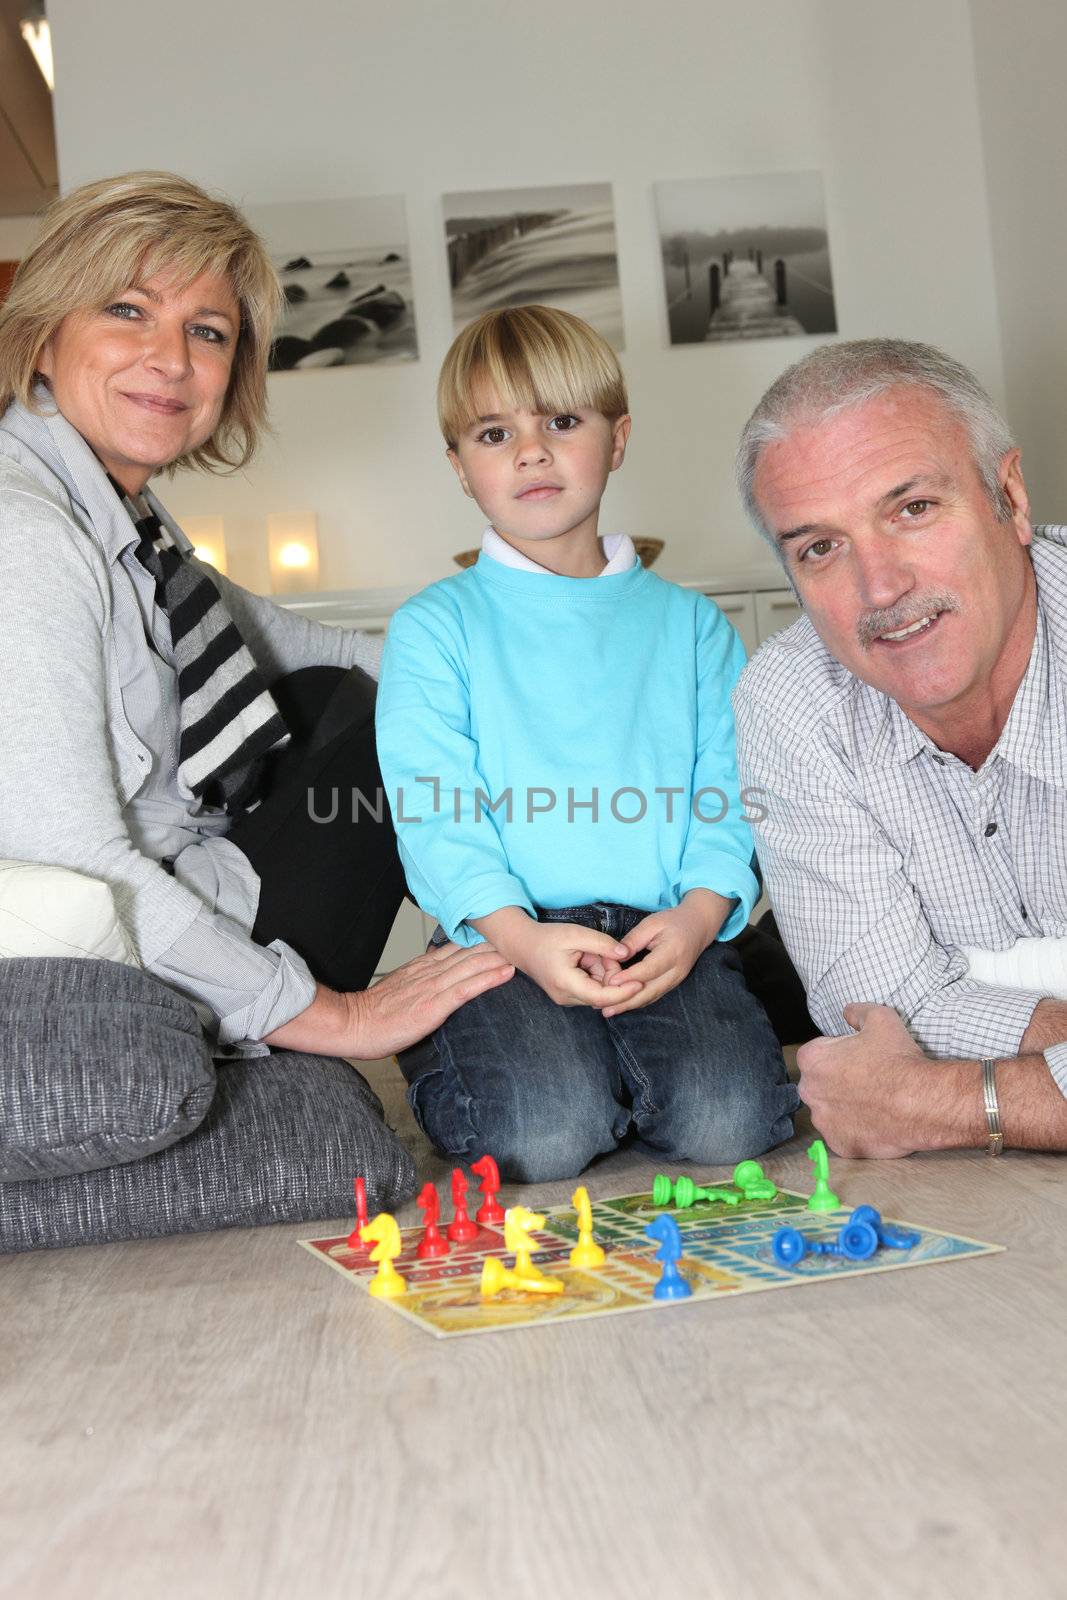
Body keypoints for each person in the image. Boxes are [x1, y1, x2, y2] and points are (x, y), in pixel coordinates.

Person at [0, 171, 513, 1064]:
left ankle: (580, 924)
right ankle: (541, 953)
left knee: (342, 692)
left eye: (207, 332)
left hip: (198, 867)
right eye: (128, 311)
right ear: (42, 336)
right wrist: (334, 1017)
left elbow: (301, 643)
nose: (171, 360)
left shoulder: (126, 518)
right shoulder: (26, 535)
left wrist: (544, 672)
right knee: (401, 737)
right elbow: (79, 864)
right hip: (146, 955)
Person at [375, 305, 797, 1181]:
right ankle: (472, 1052)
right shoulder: (433, 627)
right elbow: (435, 812)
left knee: (732, 1125)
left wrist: (698, 916)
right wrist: (519, 939)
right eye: (495, 433)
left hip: (662, 931)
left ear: (616, 438)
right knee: (544, 1136)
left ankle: (625, 1069)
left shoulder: (691, 627)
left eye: (562, 422)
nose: (531, 452)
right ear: (459, 468)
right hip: (501, 940)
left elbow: (727, 792)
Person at [733, 338, 1067, 1158]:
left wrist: (949, 1100)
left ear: (1010, 497)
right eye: (819, 547)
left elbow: (895, 1078)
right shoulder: (788, 700)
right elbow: (874, 1005)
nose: (879, 588)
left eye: (911, 508)